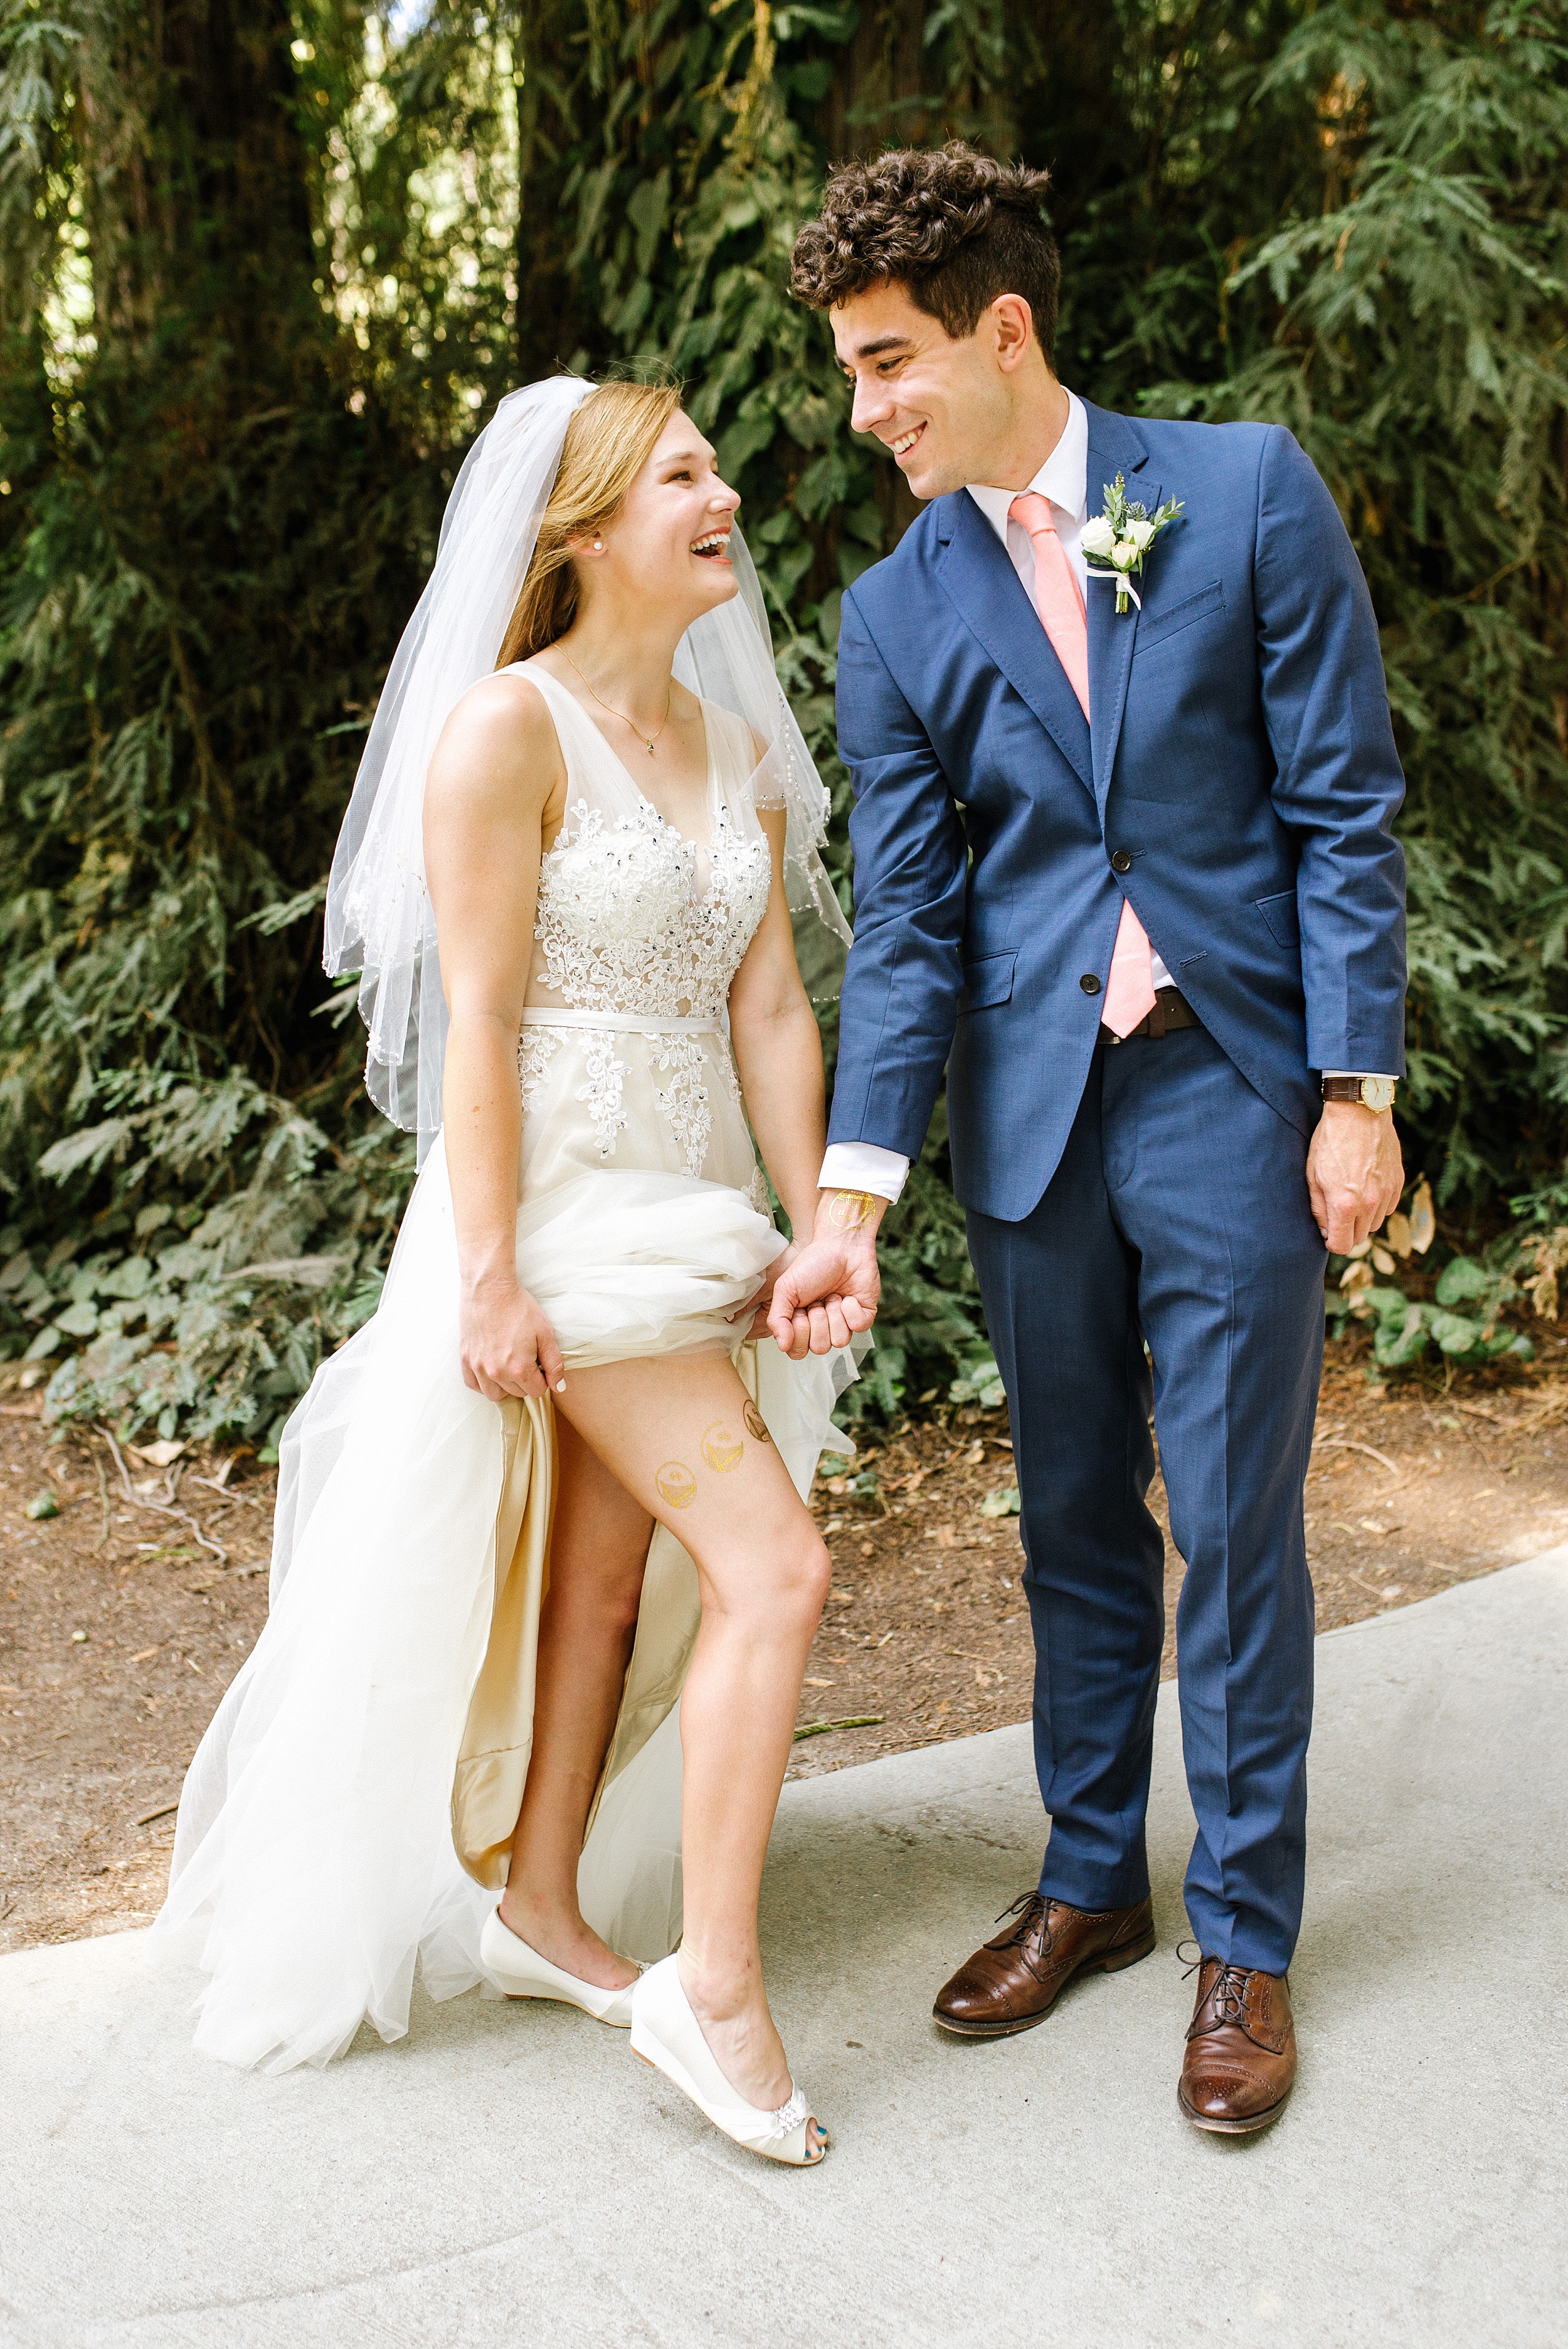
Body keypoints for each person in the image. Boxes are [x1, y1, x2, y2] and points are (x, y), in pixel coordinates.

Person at [151, 374, 867, 2168]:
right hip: (557, 1216)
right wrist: (487, 1272)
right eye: (681, 475)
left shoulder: (735, 747)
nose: (725, 497)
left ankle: (538, 1902)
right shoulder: (504, 732)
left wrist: (815, 1223)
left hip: (699, 1218)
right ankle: (713, 1993)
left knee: (604, 1586)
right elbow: (477, 1016)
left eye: (716, 468)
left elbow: (769, 1000)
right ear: (581, 531)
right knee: (776, 1568)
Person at [777, 143, 1407, 2134]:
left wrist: (1352, 1094)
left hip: (1230, 1085)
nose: (866, 409)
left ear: (1003, 330)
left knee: (1228, 1521)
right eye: (852, 374)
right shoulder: (899, 609)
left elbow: (1339, 811)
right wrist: (857, 1188)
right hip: (1030, 1123)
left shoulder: (1235, 491)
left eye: (889, 363)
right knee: (1069, 1525)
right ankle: (1086, 1881)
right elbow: (914, 918)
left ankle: (1240, 1932)